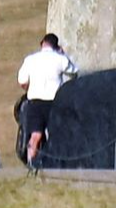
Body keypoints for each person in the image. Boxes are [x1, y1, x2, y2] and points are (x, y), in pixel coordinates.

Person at [14, 32, 78, 166]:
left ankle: (31, 164)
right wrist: (62, 54)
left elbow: (22, 81)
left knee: (35, 136)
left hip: (35, 102)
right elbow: (74, 73)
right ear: (56, 46)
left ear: (42, 44)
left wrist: (29, 88)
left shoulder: (31, 59)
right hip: (54, 102)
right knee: (56, 134)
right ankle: (56, 165)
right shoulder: (59, 59)